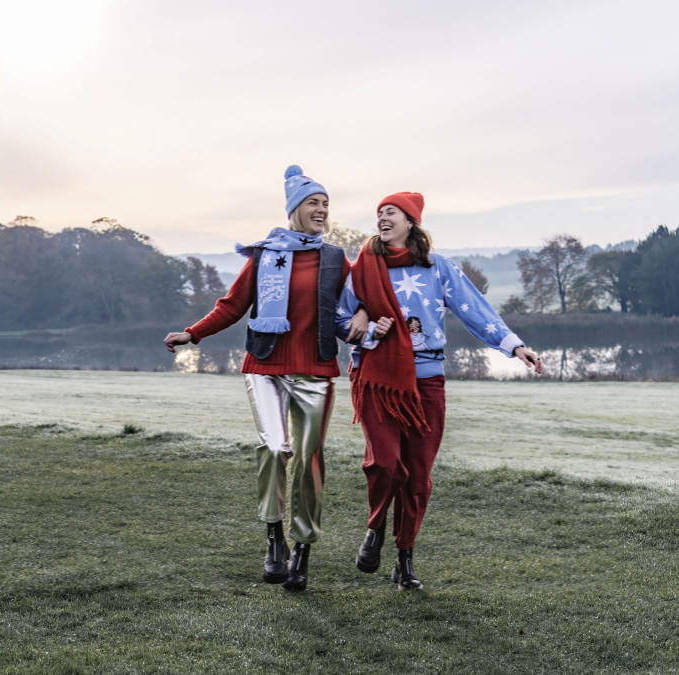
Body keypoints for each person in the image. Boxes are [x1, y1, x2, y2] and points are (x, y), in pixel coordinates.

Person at [164, 166, 393, 592]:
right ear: (295, 209)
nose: (322, 210)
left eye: (326, 204)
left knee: (309, 462)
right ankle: (274, 539)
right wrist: (192, 333)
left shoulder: (334, 259)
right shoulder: (266, 255)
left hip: (316, 370)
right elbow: (233, 305)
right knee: (274, 448)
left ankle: (302, 550)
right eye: (313, 202)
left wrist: (363, 315)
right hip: (265, 365)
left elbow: (353, 305)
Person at [336, 192, 542, 590]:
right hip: (377, 377)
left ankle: (405, 557)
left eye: (390, 211)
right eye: (378, 212)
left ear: (410, 221)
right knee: (385, 464)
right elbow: (341, 317)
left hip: (426, 380)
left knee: (417, 478)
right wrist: (365, 328)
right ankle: (375, 528)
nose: (382, 217)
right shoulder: (362, 268)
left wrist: (514, 346)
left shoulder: (436, 268)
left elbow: (475, 308)